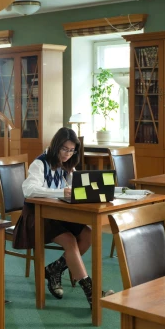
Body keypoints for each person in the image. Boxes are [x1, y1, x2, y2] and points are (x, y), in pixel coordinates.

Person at [13, 127, 99, 307]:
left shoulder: (67, 164)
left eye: (72, 150)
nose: (68, 154)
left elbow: (74, 188)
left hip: (58, 215)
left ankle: (55, 269)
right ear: (56, 146)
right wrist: (61, 191)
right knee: (69, 240)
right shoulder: (40, 163)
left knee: (88, 234)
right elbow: (29, 190)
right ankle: (91, 292)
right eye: (65, 149)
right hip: (36, 217)